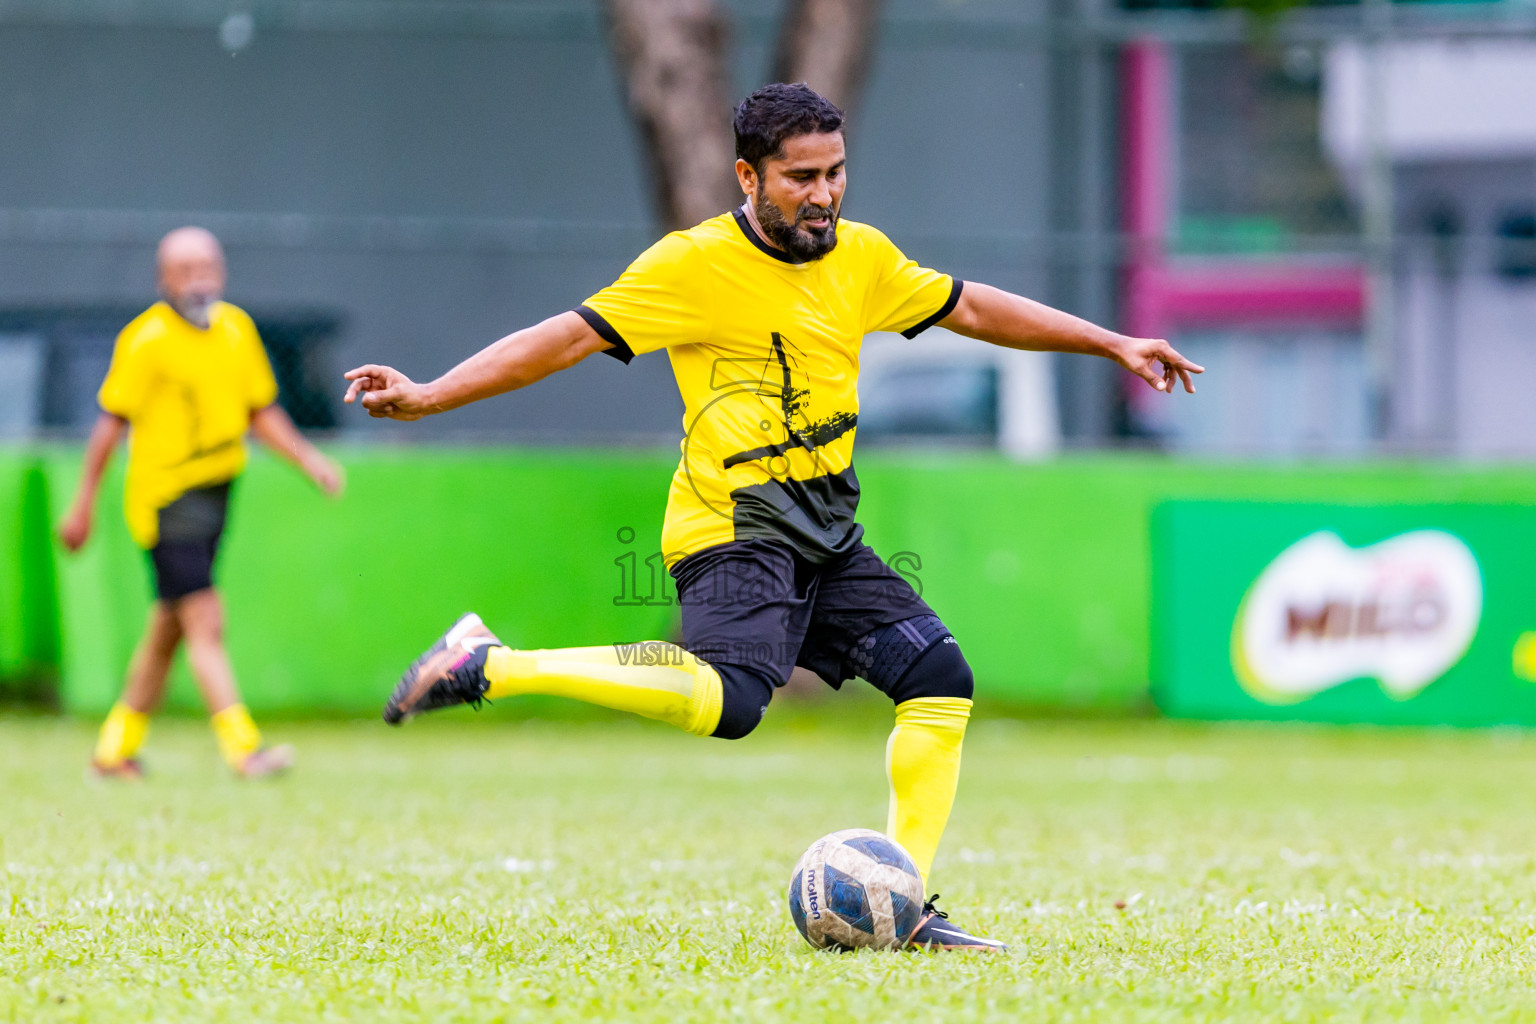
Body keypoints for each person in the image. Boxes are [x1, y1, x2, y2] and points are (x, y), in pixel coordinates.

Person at [342, 84, 1202, 951]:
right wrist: (432, 394)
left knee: (939, 679)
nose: (823, 195)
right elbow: (564, 338)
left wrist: (1112, 341)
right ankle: (492, 663)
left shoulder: (862, 258)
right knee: (734, 699)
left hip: (826, 531)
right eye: (800, 178)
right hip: (732, 525)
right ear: (748, 176)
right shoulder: (692, 263)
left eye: (834, 173)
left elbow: (971, 307)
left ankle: (901, 907)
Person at [60, 226, 343, 780]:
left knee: (168, 628)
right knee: (205, 619)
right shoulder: (146, 340)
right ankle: (245, 750)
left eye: (206, 266)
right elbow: (109, 424)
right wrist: (83, 503)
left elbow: (261, 412)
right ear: (163, 278)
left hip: (216, 494)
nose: (198, 278)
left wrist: (309, 461)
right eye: (185, 269)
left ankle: (114, 750)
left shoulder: (237, 330)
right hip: (165, 500)